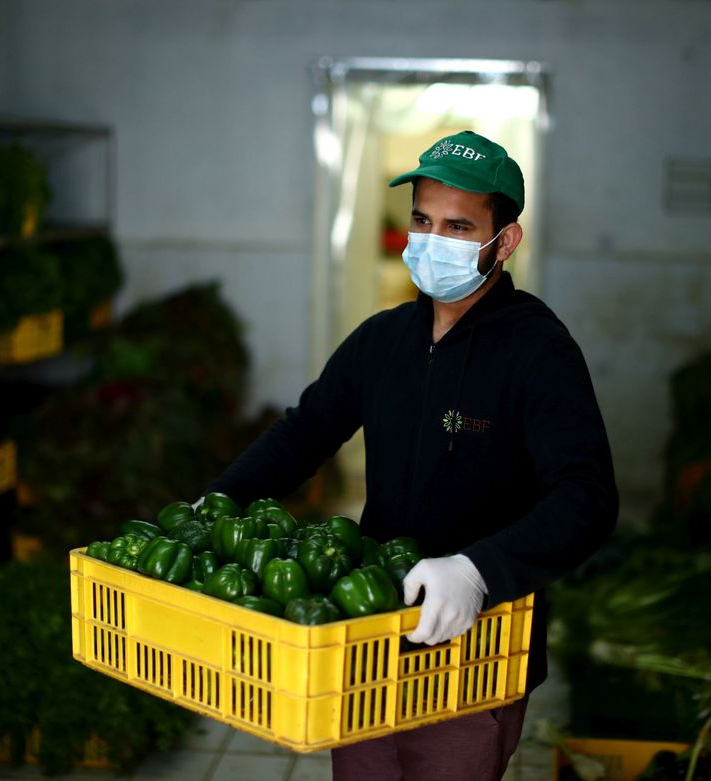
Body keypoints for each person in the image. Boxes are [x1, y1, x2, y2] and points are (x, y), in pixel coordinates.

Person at [204, 130, 618, 780]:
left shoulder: (538, 353)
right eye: (423, 220)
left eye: (459, 226)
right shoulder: (383, 339)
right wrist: (219, 499)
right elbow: (305, 431)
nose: (432, 240)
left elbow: (587, 497)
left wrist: (479, 570)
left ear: (504, 242)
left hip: (477, 647)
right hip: (372, 628)